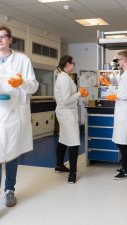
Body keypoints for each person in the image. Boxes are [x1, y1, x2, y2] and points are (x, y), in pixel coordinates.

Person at [0, 24, 39, 218]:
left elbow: (33, 86)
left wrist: (22, 83)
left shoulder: (22, 60)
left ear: (10, 40)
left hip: (14, 114)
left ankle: (10, 189)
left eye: (3, 37)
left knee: (12, 154)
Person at [100, 50, 127, 180]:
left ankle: (126, 169)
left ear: (125, 60)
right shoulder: (126, 74)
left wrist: (117, 96)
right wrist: (108, 84)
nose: (117, 62)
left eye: (118, 59)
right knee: (126, 142)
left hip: (126, 114)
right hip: (124, 112)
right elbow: (121, 90)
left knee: (123, 142)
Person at [54, 55, 88, 184]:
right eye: (73, 63)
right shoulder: (63, 79)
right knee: (73, 142)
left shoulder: (64, 77)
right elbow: (67, 100)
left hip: (65, 112)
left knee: (63, 139)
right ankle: (73, 174)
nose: (74, 65)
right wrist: (80, 93)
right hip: (67, 113)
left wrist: (79, 94)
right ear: (67, 64)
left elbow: (67, 97)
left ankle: (59, 165)